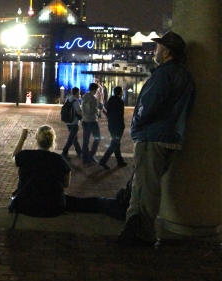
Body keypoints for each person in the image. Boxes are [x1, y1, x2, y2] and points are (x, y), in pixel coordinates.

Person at [117, 31, 195, 247]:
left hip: (153, 137)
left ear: (167, 52)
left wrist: (137, 124)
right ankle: (137, 229)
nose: (155, 51)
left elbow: (148, 106)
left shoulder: (163, 75)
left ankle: (142, 233)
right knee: (148, 183)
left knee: (145, 186)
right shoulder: (186, 77)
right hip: (172, 137)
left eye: (158, 47)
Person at [12, 126, 129, 220]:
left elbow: (14, 157)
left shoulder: (25, 155)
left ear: (36, 139)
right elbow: (66, 184)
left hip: (25, 206)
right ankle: (123, 209)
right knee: (92, 203)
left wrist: (23, 138)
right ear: (52, 140)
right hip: (53, 207)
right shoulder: (59, 159)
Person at [100, 86, 128, 169]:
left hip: (111, 125)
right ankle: (103, 160)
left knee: (116, 143)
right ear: (120, 92)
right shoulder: (120, 101)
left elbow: (108, 112)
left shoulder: (110, 100)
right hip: (118, 125)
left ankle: (120, 161)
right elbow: (121, 114)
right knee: (114, 144)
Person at [81, 83, 101, 165]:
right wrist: (98, 111)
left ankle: (85, 158)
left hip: (84, 120)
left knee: (86, 140)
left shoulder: (84, 96)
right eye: (96, 90)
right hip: (92, 121)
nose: (97, 91)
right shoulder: (94, 99)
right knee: (97, 137)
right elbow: (93, 111)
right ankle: (91, 155)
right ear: (94, 89)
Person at [60, 87, 82, 160]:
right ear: (77, 93)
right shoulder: (76, 101)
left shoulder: (68, 99)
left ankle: (79, 151)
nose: (79, 93)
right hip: (74, 122)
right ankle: (64, 152)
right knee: (71, 139)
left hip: (68, 122)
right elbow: (79, 111)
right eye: (79, 92)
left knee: (74, 138)